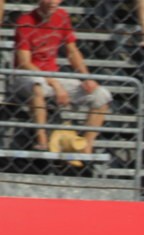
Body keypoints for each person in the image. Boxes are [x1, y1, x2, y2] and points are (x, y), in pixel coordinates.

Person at [11, 0, 114, 157]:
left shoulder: (62, 16)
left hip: (53, 76)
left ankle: (85, 147)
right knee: (36, 85)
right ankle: (42, 140)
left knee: (101, 95)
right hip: (27, 75)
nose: (53, 2)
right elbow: (24, 62)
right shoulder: (26, 21)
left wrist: (85, 77)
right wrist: (55, 84)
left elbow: (72, 51)